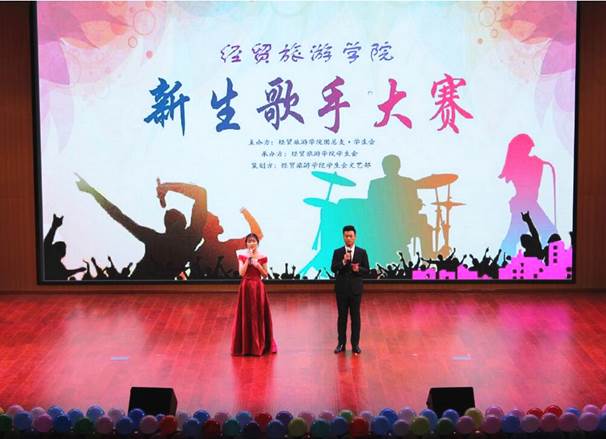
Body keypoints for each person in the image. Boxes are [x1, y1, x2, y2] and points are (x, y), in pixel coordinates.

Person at [75, 174, 207, 280]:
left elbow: (118, 215)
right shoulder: (189, 239)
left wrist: (92, 191)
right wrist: (168, 187)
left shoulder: (158, 240)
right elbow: (200, 194)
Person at [231, 233, 277, 356]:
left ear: (257, 243)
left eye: (254, 241)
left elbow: (265, 275)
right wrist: (248, 260)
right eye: (249, 241)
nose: (251, 243)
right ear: (246, 243)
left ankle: (259, 344)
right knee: (246, 314)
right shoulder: (242, 256)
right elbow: (241, 273)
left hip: (257, 287)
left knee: (258, 314)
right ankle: (246, 346)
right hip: (246, 286)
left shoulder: (263, 257)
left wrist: (257, 265)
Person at [330, 225, 369, 355]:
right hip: (341, 290)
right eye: (346, 236)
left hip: (355, 290)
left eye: (351, 236)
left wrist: (358, 269)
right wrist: (343, 261)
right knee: (342, 317)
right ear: (343, 237)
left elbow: (367, 270)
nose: (348, 238)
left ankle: (355, 345)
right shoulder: (338, 252)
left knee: (355, 317)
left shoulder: (361, 252)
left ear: (355, 237)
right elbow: (333, 268)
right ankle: (341, 344)